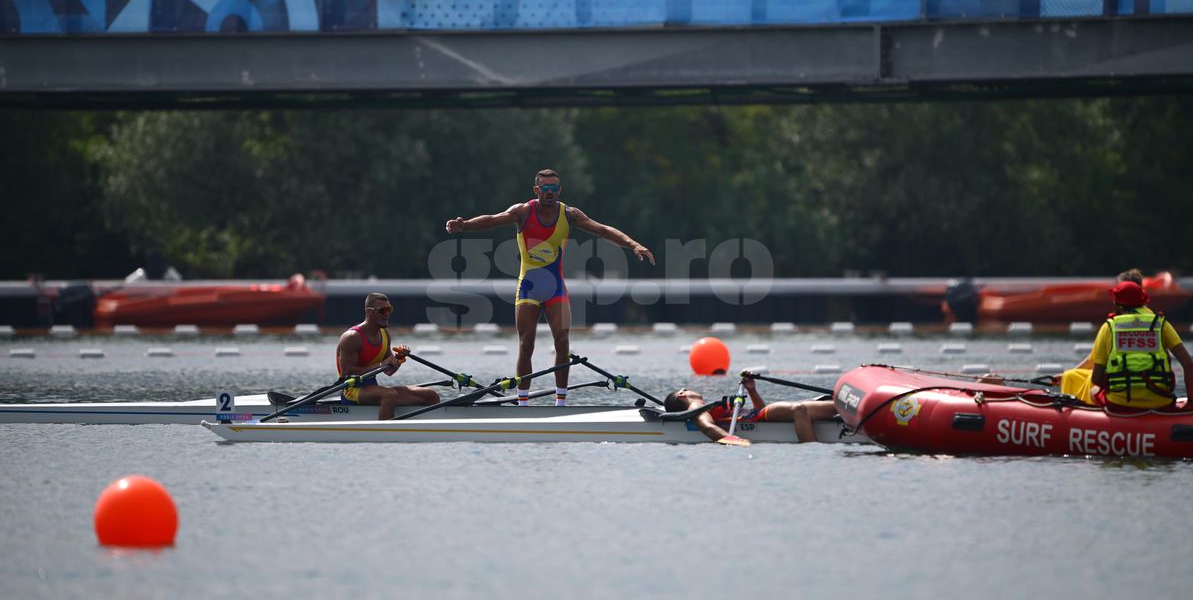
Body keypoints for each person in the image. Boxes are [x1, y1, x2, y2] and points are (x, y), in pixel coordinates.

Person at [445, 168, 655, 406]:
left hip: (556, 288)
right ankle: (522, 403)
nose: (550, 193)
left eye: (554, 189)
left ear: (559, 191)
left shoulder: (570, 214)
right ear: (536, 190)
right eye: (545, 189)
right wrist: (465, 226)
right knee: (527, 344)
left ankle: (561, 403)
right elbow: (492, 220)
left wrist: (634, 244)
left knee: (563, 343)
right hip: (528, 288)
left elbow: (603, 230)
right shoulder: (523, 211)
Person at [1085, 280, 1193, 412]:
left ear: (1118, 305)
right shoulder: (1160, 324)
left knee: (1094, 391)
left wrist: (1117, 387)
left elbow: (1096, 378)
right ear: (1143, 302)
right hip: (1161, 402)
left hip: (1120, 403)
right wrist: (1192, 401)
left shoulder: (1108, 327)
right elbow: (1188, 364)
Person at [336, 292, 439, 419]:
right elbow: (347, 373)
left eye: (389, 309)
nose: (387, 314)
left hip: (372, 388)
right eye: (382, 310)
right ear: (369, 312)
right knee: (389, 394)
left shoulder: (384, 334)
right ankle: (385, 433)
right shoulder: (352, 337)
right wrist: (381, 365)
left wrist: (399, 358)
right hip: (351, 391)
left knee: (430, 395)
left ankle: (431, 429)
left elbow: (389, 371)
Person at [663, 373, 838, 445]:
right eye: (687, 388)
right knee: (798, 409)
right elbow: (707, 426)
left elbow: (760, 409)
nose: (693, 389)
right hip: (757, 419)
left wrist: (751, 390)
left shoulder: (701, 406)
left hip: (760, 413)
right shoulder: (696, 407)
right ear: (682, 395)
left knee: (836, 406)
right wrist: (735, 441)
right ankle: (814, 450)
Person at [1058, 268, 1147, 404]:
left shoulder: (1110, 326)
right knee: (1070, 375)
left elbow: (1096, 371)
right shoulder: (1158, 323)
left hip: (1120, 388)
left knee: (1072, 378)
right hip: (1151, 386)